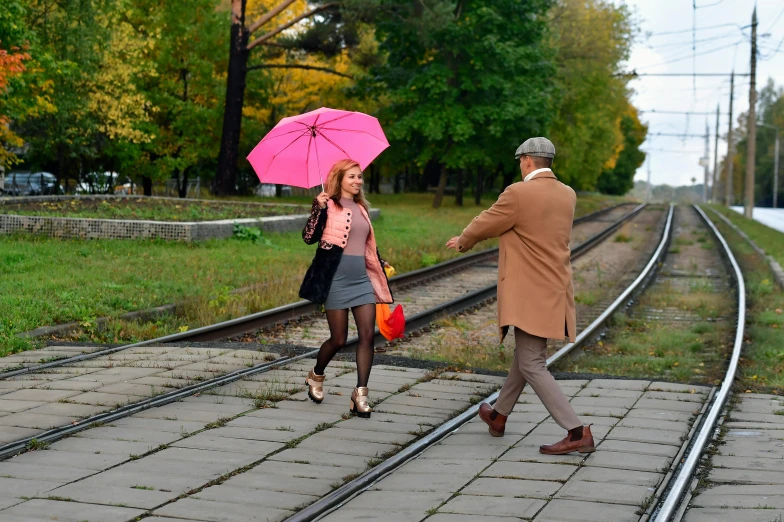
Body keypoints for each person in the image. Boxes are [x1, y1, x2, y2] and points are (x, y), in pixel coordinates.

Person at [445, 137, 595, 455]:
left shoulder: (518, 193)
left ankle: (577, 431)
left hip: (529, 291)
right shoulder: (568, 194)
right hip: (555, 287)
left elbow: (489, 221)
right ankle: (498, 416)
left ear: (527, 160)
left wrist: (463, 240)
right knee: (526, 357)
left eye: (520, 161)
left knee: (532, 363)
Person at [299, 159, 393, 418]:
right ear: (339, 179)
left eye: (360, 177)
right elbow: (308, 238)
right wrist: (317, 209)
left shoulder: (362, 208)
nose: (357, 181)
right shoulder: (327, 205)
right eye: (352, 177)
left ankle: (360, 394)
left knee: (366, 336)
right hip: (336, 281)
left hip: (362, 280)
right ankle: (316, 375)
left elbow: (365, 243)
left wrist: (379, 260)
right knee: (338, 339)